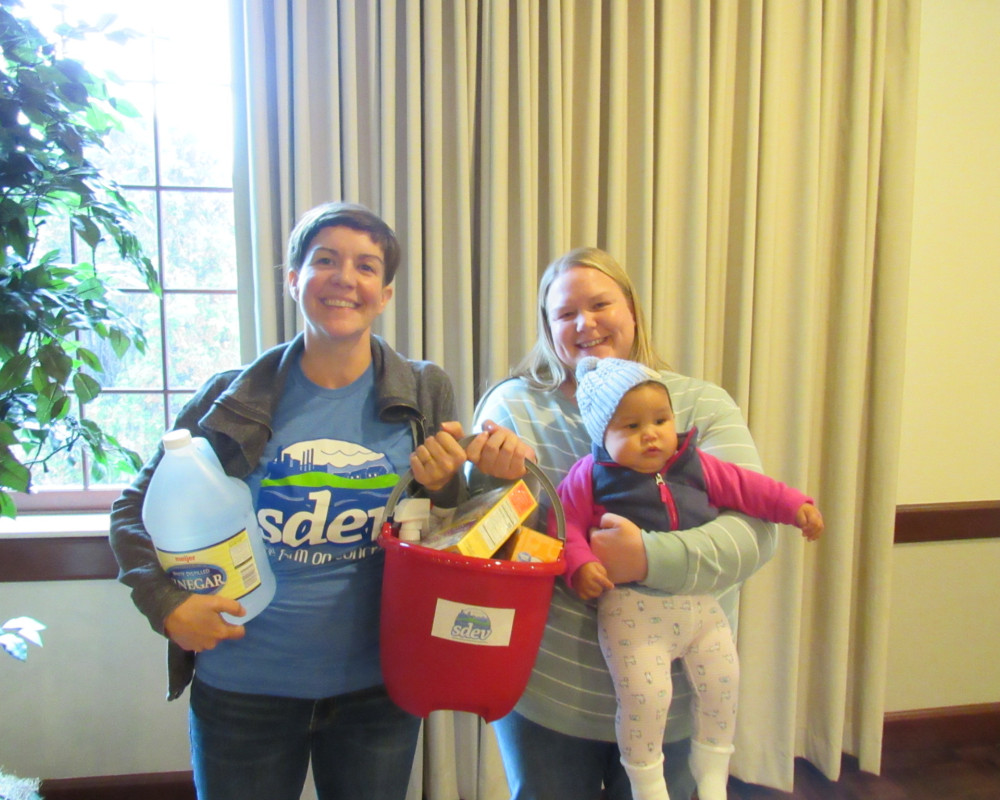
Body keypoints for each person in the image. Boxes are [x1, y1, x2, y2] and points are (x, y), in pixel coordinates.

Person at [109, 201, 520, 800]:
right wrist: (165, 604)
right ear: (293, 278)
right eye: (324, 260)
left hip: (377, 690)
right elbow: (132, 511)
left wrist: (449, 486)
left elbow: (447, 529)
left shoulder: (424, 389)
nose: (344, 278)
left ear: (384, 293)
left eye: (366, 266)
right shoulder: (232, 396)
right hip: (243, 687)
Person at [470, 246, 780, 800]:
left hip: (680, 697)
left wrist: (646, 557)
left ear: (632, 311)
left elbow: (754, 536)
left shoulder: (700, 405)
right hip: (550, 698)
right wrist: (495, 487)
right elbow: (485, 551)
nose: (585, 323)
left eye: (600, 304)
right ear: (548, 328)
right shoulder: (513, 407)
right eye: (565, 314)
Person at [557, 355, 823, 800]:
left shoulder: (695, 464)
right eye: (631, 427)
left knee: (725, 681)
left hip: (699, 604)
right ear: (602, 435)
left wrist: (795, 506)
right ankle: (647, 783)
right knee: (645, 698)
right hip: (632, 612)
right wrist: (581, 565)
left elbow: (750, 488)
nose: (652, 434)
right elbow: (564, 526)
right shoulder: (592, 475)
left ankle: (714, 767)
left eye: (661, 419)